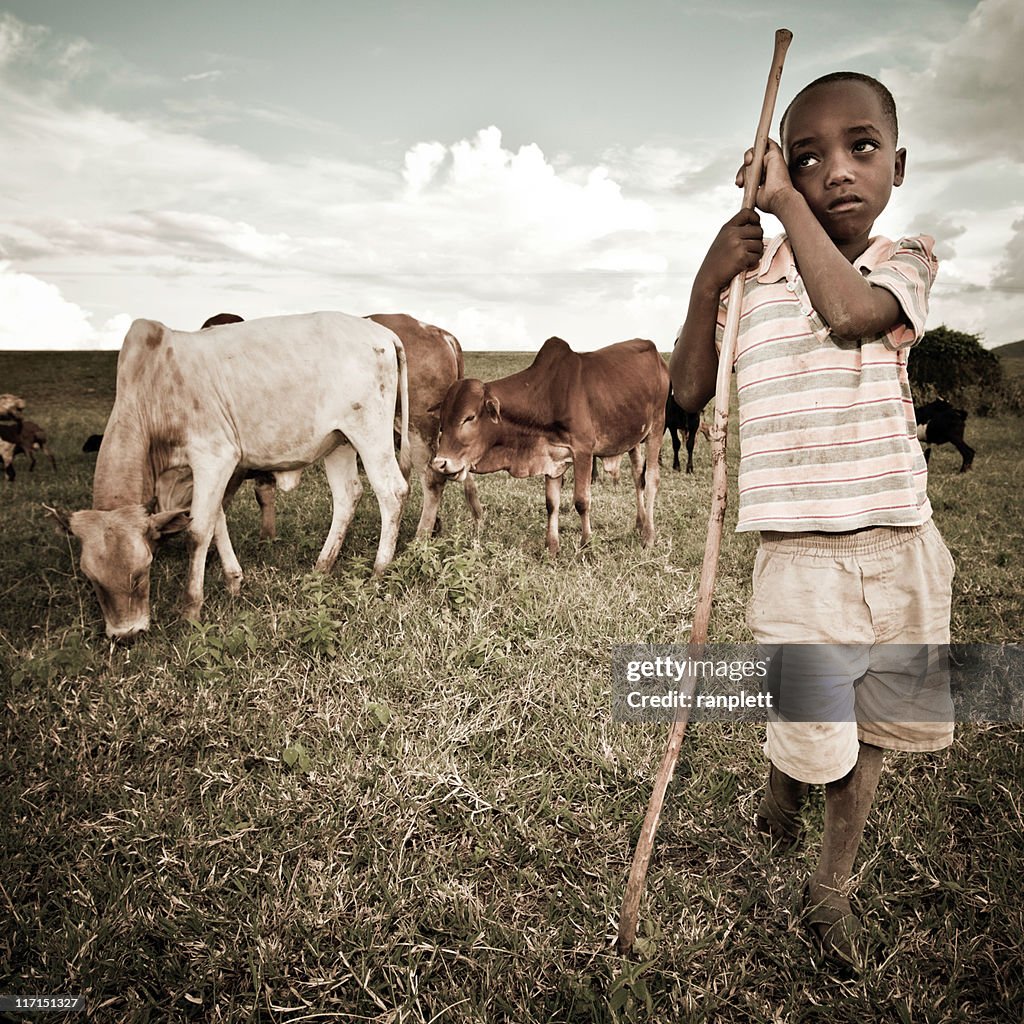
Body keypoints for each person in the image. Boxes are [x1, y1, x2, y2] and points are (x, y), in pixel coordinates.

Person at [669, 72, 955, 968]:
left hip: (899, 538)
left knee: (868, 731)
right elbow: (683, 397)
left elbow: (848, 318)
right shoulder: (751, 280)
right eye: (806, 157)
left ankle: (829, 886)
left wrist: (784, 203)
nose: (835, 172)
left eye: (860, 148)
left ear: (897, 165)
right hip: (798, 553)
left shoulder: (903, 260)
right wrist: (708, 277)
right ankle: (784, 788)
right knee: (811, 725)